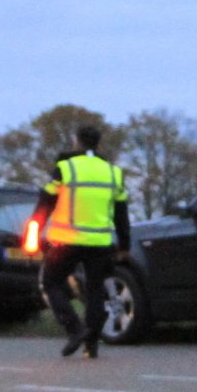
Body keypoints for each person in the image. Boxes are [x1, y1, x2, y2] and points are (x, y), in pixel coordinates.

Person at [31, 123, 129, 358]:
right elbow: (121, 213)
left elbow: (46, 202)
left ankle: (75, 329)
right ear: (98, 143)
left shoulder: (65, 168)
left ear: (76, 142)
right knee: (96, 290)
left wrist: (35, 232)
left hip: (66, 241)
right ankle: (91, 344)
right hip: (100, 243)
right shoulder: (113, 172)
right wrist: (124, 246)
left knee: (51, 282)